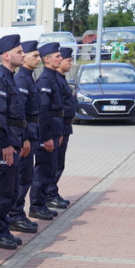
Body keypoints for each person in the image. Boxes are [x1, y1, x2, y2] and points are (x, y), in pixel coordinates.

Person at [0, 34, 27, 250]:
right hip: (5, 145)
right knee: (0, 190)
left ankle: (3, 228)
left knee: (10, 190)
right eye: (19, 52)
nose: (23, 55)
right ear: (6, 55)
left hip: (14, 141)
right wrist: (4, 144)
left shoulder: (10, 78)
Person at [7, 40, 41, 235]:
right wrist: (25, 138)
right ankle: (15, 215)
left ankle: (18, 213)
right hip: (24, 135)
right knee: (21, 178)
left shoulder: (28, 78)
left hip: (32, 133)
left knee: (26, 177)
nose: (38, 59)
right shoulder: (21, 79)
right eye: (33, 55)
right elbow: (20, 114)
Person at [30, 42, 63, 222]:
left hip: (55, 130)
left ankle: (41, 204)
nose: (61, 58)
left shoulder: (53, 78)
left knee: (49, 169)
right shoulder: (44, 80)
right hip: (47, 133)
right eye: (57, 56)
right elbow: (43, 111)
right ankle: (36, 205)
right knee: (42, 170)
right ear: (47, 60)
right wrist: (47, 137)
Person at [49, 46, 75, 210]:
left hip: (64, 127)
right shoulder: (53, 79)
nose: (71, 63)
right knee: (52, 165)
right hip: (57, 127)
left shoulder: (61, 79)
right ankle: (49, 194)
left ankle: (52, 192)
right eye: (68, 60)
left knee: (59, 164)